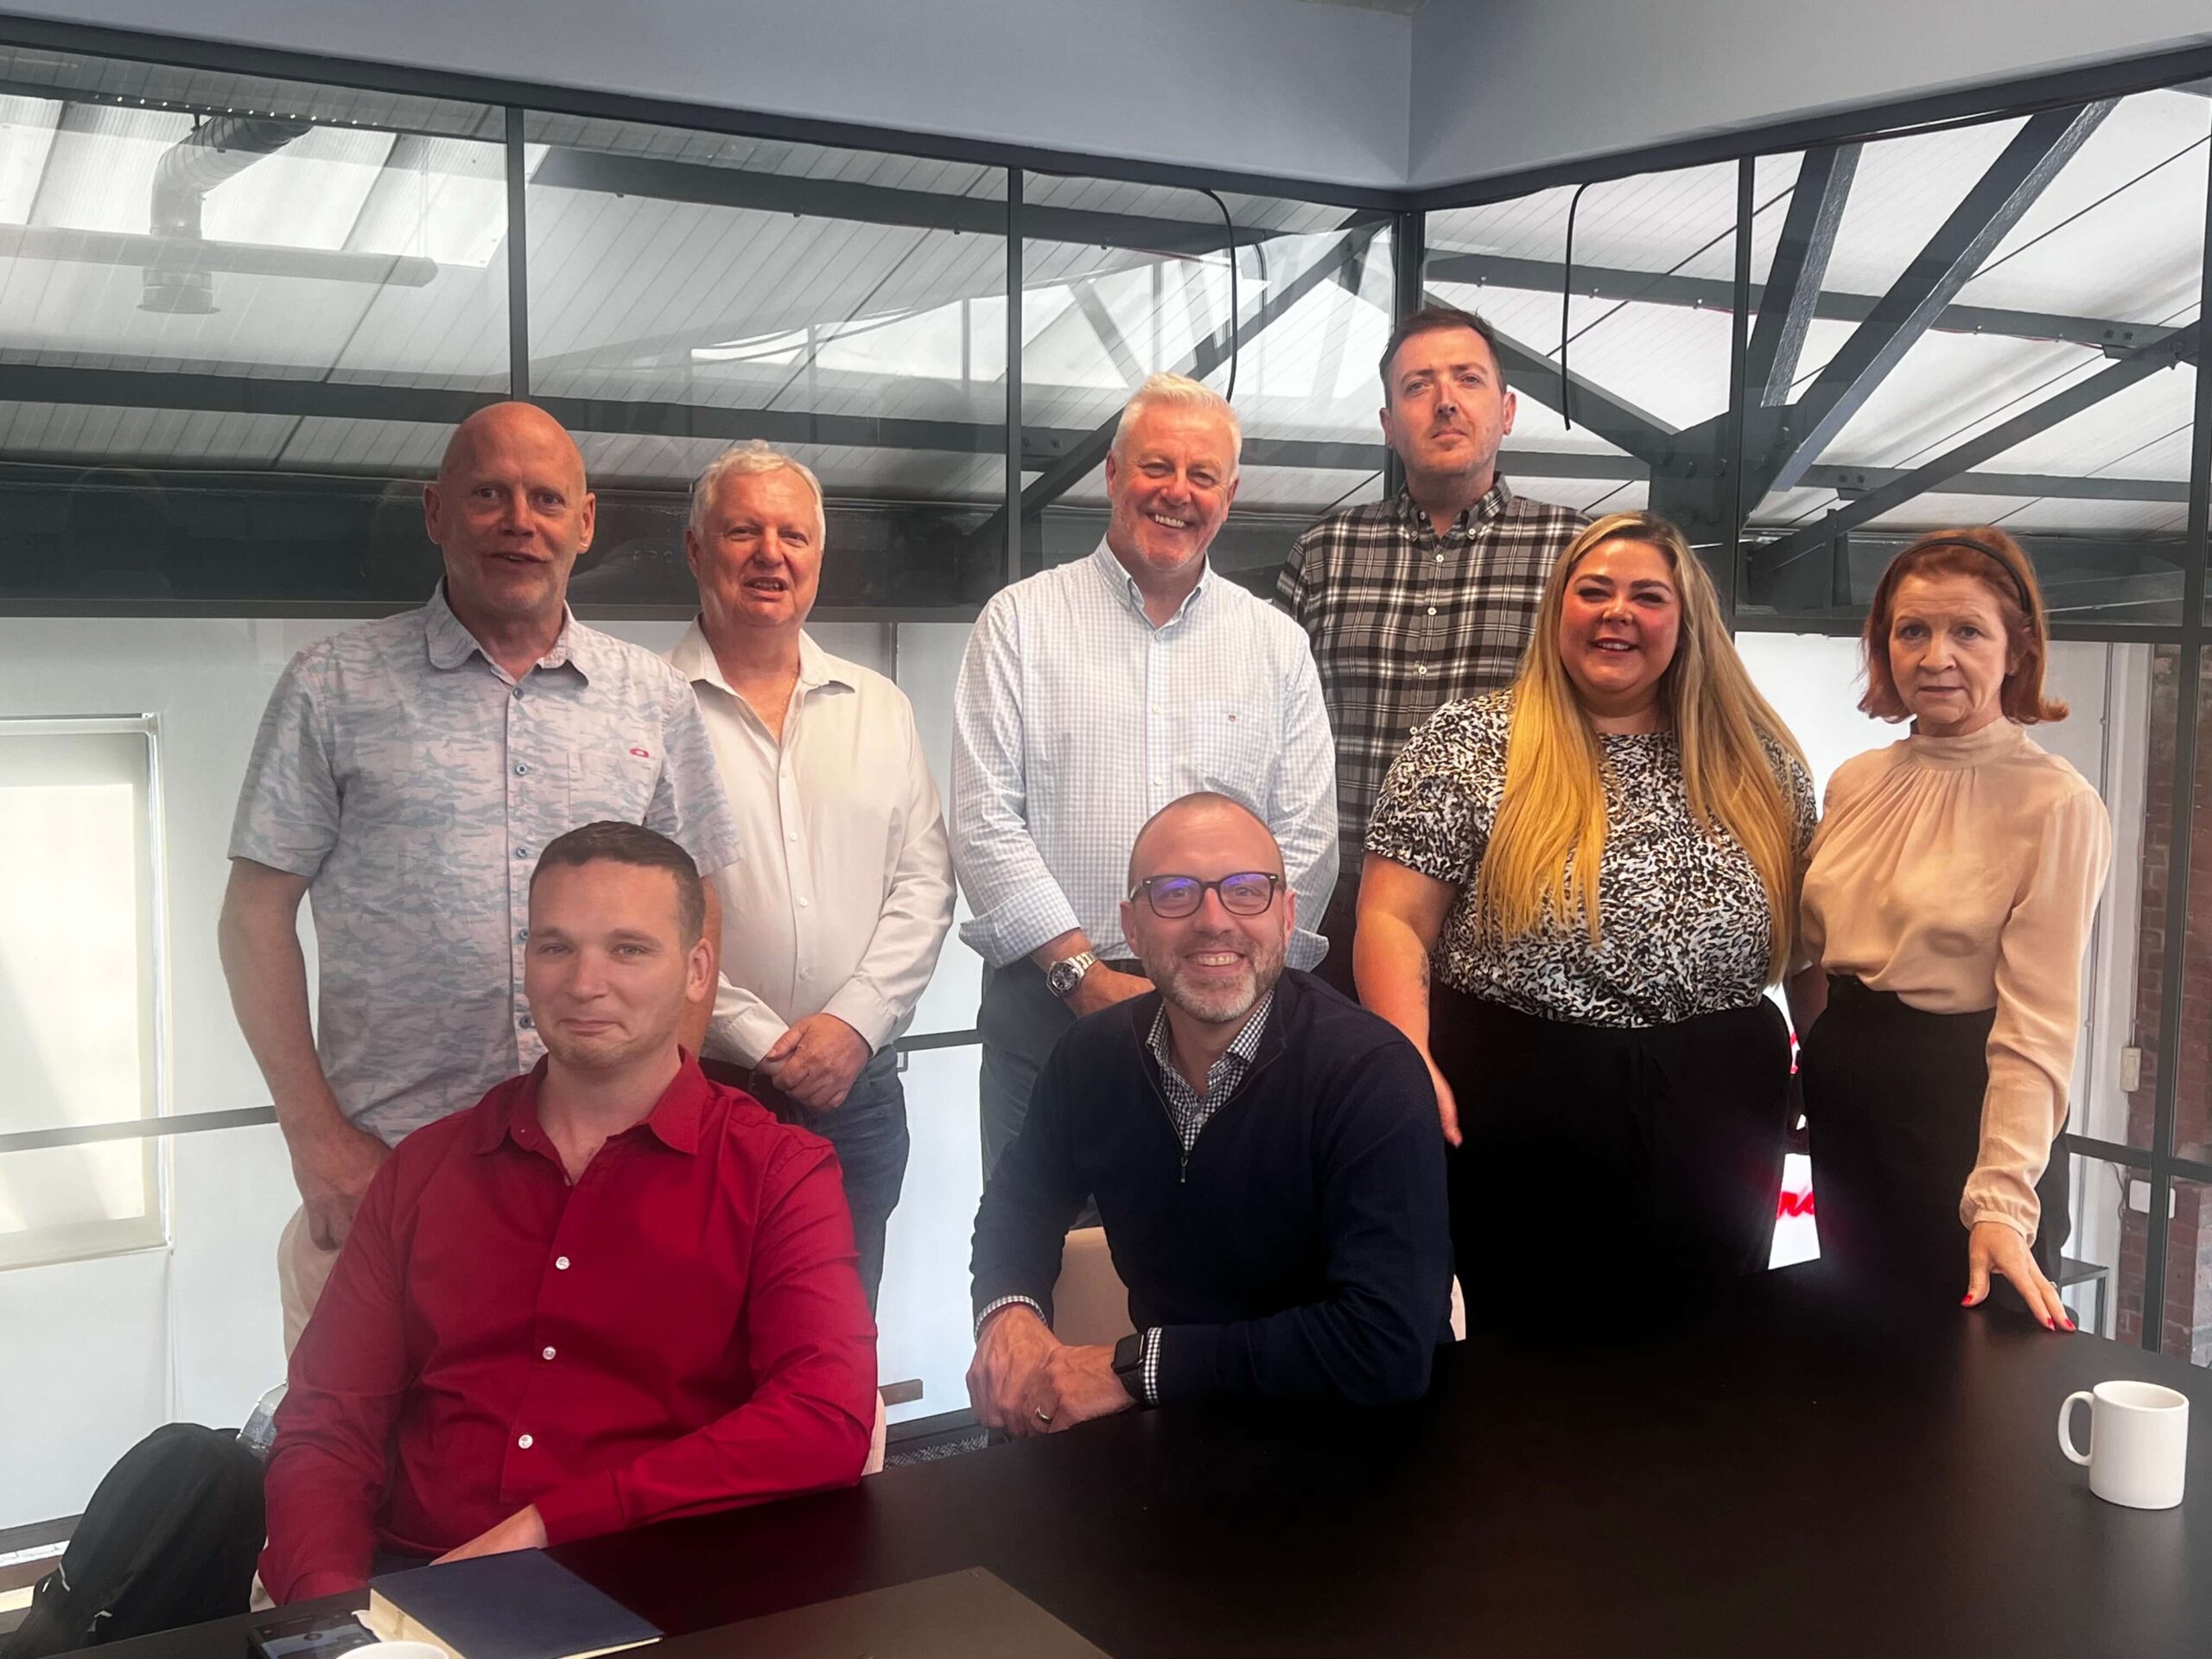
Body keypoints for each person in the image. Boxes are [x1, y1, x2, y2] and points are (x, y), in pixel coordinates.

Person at [221, 403, 741, 1352]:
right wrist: (314, 1138)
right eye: (489, 495)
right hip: (389, 1177)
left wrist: (669, 1100)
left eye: (547, 499)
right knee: (361, 1471)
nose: (520, 520)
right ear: (434, 511)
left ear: (585, 523)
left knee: (587, 1467)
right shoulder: (331, 686)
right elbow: (254, 917)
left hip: (601, 1182)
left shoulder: (651, 697)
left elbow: (698, 906)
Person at [258, 823, 877, 1602]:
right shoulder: (423, 1171)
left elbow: (823, 1419)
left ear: (696, 971)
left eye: (628, 949)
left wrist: (550, 1525)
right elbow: (326, 1426)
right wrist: (332, 1613)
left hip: (658, 1586)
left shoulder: (779, 1173)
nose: (585, 982)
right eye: (555, 948)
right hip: (419, 1591)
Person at [1357, 512, 1817, 1333]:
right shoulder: (1468, 744)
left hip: (1721, 1107)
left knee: (1711, 1350)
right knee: (1532, 1360)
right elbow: (1392, 921)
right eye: (1593, 590)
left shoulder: (1762, 764)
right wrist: (1407, 1060)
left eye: (1648, 596)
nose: (1617, 613)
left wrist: (1821, 1064)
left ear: (1687, 623)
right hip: (1519, 1098)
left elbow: (1813, 947)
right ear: (1557, 609)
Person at [953, 372, 1338, 1177]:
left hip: (1229, 1006)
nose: (1177, 493)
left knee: (1227, 1266)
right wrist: (1079, 976)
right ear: (1113, 475)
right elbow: (985, 819)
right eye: (1157, 467)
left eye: (1202, 477)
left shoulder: (1275, 646)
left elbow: (1306, 837)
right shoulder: (1018, 622)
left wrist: (1232, 986)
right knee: (1043, 1256)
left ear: (1228, 497)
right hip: (1052, 1002)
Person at [967, 792, 1449, 1432]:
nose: (1213, 920)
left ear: (1287, 918)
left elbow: (1385, 1346)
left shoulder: (1372, 1074)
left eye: (1247, 890)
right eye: (1174, 893)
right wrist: (1009, 1311)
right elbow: (1017, 1207)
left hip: (1368, 1446)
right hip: (1176, 1439)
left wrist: (1139, 1368)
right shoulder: (1090, 1056)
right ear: (1132, 926)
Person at [1799, 529, 2112, 1329]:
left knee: (1973, 1370)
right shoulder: (1857, 781)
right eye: (1913, 631)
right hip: (1848, 1094)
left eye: (1967, 631)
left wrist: (2003, 1198)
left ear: (2016, 652)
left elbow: (2040, 1021)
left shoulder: (2056, 804)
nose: (1936, 655)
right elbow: (1814, 952)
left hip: (1963, 1108)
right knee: (1859, 1354)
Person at [670, 441, 955, 1313]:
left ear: (818, 557)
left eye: (792, 535)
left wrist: (853, 1024)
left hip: (858, 1088)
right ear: (695, 549)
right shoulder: (645, 708)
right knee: (703, 1330)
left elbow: (925, 884)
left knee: (837, 1329)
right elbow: (645, 924)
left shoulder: (880, 708)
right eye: (743, 531)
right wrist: (767, 1041)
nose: (770, 554)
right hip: (712, 1085)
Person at [1278, 305, 1587, 996]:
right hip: (1338, 907)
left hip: (1510, 905)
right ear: (1388, 426)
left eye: (1467, 380)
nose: (1445, 401)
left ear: (1506, 410)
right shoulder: (1325, 552)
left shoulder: (1576, 554)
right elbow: (1269, 729)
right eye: (1418, 386)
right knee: (1338, 1102)